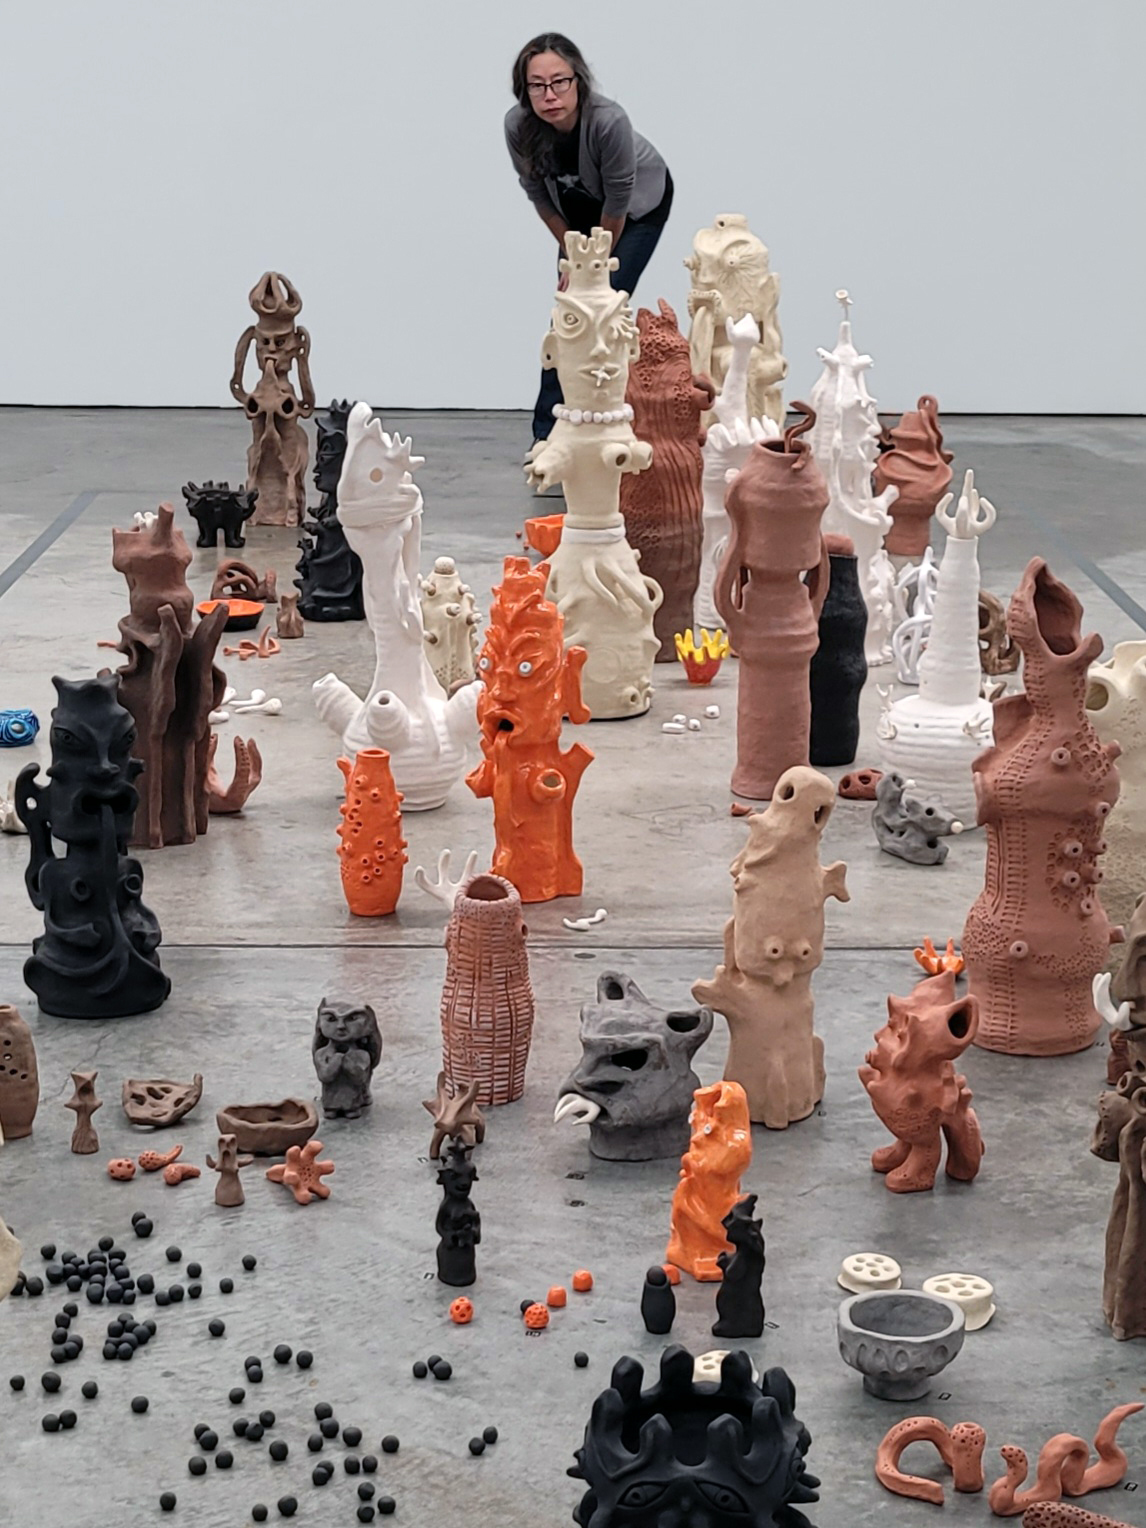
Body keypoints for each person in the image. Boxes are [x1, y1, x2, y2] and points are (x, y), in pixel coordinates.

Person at [505, 33, 673, 447]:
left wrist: (589, 269)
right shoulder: (518, 126)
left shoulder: (608, 121)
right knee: (567, 319)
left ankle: (606, 427)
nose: (550, 95)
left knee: (599, 308)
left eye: (560, 81)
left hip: (635, 210)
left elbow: (618, 199)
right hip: (578, 212)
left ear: (578, 80)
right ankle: (547, 438)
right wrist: (571, 254)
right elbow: (538, 195)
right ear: (525, 90)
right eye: (537, 85)